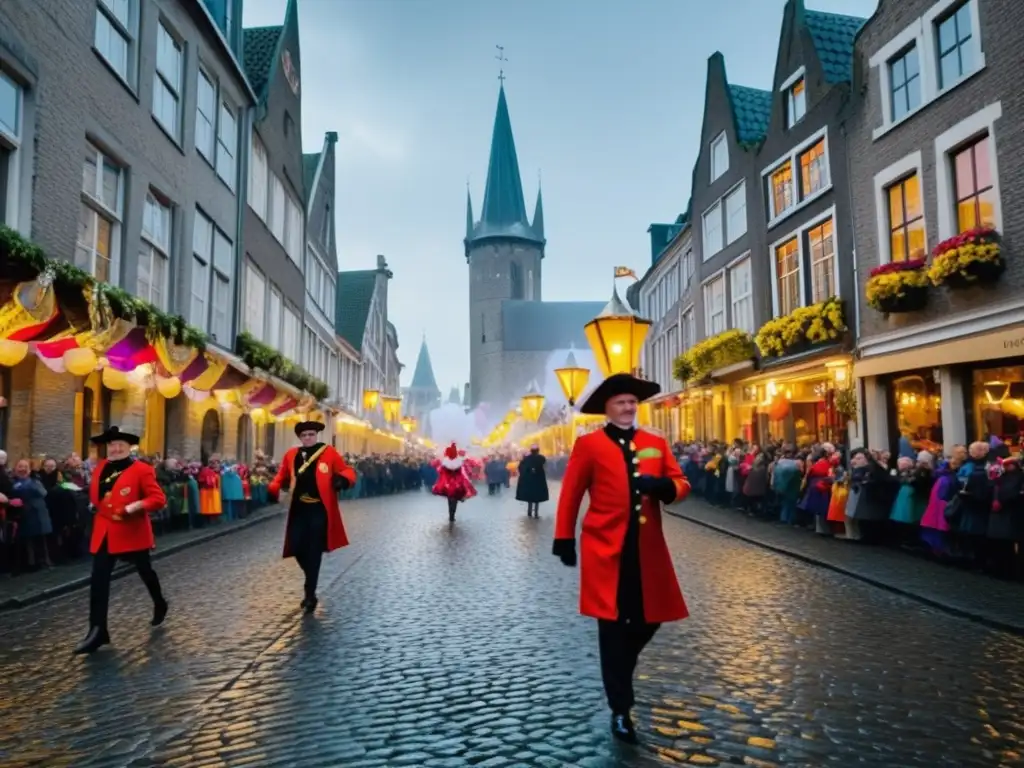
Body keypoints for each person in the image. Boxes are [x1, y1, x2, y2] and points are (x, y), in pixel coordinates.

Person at [552, 373, 691, 744]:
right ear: (608, 408)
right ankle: (620, 709)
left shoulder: (655, 443)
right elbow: (571, 493)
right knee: (611, 627)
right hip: (605, 549)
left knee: (651, 619)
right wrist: (563, 537)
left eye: (633, 402)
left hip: (647, 549)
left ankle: (621, 667)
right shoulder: (589, 444)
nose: (629, 408)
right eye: (621, 403)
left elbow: (681, 484)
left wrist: (665, 488)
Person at [74, 426, 169, 655]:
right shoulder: (100, 469)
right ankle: (97, 630)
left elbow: (158, 498)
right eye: (112, 445)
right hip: (105, 531)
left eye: (120, 445)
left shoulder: (142, 470)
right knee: (98, 580)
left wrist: (133, 506)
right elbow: (96, 497)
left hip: (132, 531)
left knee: (145, 571)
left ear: (129, 448)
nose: (115, 449)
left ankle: (159, 602)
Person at [269, 420, 357, 614]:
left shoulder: (328, 452)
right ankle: (311, 582)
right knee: (297, 548)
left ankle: (310, 594)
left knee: (313, 551)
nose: (308, 438)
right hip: (299, 509)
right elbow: (282, 475)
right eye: (304, 435)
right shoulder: (291, 454)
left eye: (311, 434)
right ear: (300, 438)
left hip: (319, 509)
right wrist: (274, 487)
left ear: (316, 435)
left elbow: (346, 470)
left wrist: (342, 479)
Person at [432, 442, 476, 522]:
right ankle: (453, 514)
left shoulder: (445, 463)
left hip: (447, 483)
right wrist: (467, 481)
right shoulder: (459, 463)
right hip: (457, 483)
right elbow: (462, 473)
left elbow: (440, 471)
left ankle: (451, 515)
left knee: (450, 499)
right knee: (455, 499)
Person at [516, 444, 549, 517]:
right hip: (539, 481)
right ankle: (536, 513)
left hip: (529, 481)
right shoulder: (541, 458)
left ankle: (529, 511)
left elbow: (521, 468)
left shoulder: (526, 459)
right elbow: (545, 467)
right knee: (537, 498)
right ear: (538, 451)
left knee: (530, 498)